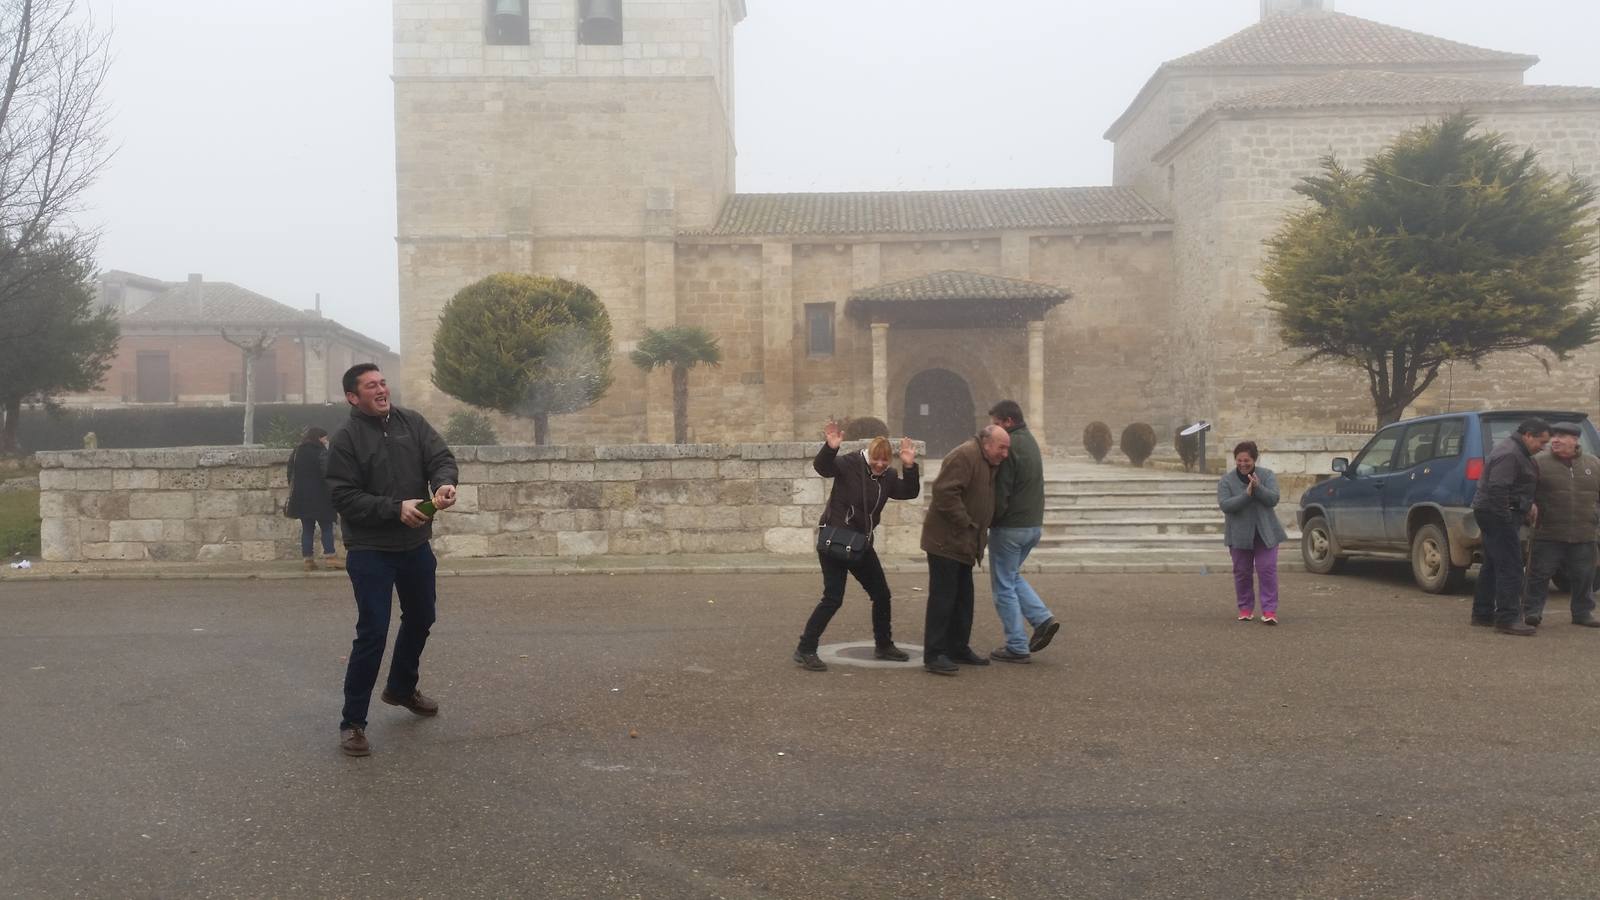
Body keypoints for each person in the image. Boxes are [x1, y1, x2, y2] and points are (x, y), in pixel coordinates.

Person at [325, 363, 459, 757]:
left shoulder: (411, 422)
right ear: (353, 397)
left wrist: (444, 482)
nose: (381, 389)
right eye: (371, 386)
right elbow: (342, 497)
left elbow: (440, 457)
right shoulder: (346, 439)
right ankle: (353, 723)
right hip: (370, 550)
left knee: (422, 618)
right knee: (373, 631)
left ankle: (400, 688)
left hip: (415, 544)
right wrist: (393, 508)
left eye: (383, 382)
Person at [793, 423, 921, 671]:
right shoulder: (850, 464)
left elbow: (910, 492)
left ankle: (883, 645)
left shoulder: (889, 477)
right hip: (835, 541)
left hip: (860, 544)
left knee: (882, 594)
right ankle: (805, 649)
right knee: (833, 598)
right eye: (876, 459)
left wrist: (909, 465)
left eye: (885, 461)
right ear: (869, 454)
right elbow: (823, 468)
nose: (880, 465)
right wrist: (830, 448)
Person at [921, 425, 1010, 676]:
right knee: (943, 599)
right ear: (987, 443)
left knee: (963, 599)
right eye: (1002, 448)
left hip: (965, 543)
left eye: (1007, 449)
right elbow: (944, 492)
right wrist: (966, 524)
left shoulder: (990, 462)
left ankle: (957, 647)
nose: (1005, 454)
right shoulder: (965, 455)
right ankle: (934, 654)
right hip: (946, 541)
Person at [985, 400, 1058, 664]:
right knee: (1011, 576)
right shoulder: (1030, 441)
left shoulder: (1008, 447)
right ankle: (1042, 619)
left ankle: (1016, 645)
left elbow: (1001, 491)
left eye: (995, 423)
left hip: (1010, 527)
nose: (992, 430)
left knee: (1003, 586)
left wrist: (989, 519)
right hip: (1032, 525)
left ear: (1007, 422)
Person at [1471, 418, 1550, 636]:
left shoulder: (1518, 451)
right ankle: (1507, 618)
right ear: (1528, 435)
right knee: (1511, 566)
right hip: (1497, 515)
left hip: (1495, 512)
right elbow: (1498, 488)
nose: (1543, 447)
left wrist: (1526, 506)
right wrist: (1506, 519)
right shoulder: (1510, 454)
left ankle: (1482, 613)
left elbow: (1515, 486)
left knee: (1493, 564)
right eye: (1541, 442)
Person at [1522, 421, 1600, 628]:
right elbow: (1525, 491)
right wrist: (1529, 505)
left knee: (1585, 575)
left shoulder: (1593, 463)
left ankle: (1583, 613)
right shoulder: (1537, 462)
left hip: (1584, 531)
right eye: (1553, 436)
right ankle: (1532, 611)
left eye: (1561, 437)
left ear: (1574, 440)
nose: (1554, 440)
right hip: (1548, 531)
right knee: (1539, 574)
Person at [1217, 441, 1288, 624]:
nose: (1243, 464)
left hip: (1265, 533)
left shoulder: (1267, 475)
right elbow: (1225, 505)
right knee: (1242, 572)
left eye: (1247, 460)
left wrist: (1258, 488)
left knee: (1267, 570)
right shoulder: (1226, 480)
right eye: (1239, 460)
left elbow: (1273, 499)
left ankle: (1270, 611)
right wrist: (1246, 495)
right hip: (1239, 534)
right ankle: (1245, 608)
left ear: (1254, 460)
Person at [287, 426, 341, 571]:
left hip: (302, 498)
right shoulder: (321, 452)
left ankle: (308, 560)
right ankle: (330, 557)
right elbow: (327, 473)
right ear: (318, 438)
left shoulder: (297, 451)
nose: (326, 440)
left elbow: (290, 473)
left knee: (307, 529)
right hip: (322, 497)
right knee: (327, 527)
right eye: (325, 437)